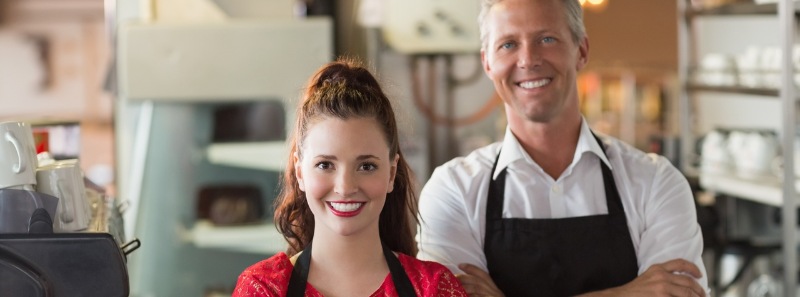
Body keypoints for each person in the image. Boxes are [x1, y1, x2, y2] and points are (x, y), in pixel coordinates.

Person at [415, 0, 709, 296]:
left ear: (581, 51)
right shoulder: (454, 190)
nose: (528, 59)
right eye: (508, 44)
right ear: (487, 62)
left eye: (547, 39)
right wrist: (626, 292)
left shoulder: (655, 182)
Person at [233, 58, 468, 297]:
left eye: (366, 166)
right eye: (325, 165)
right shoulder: (263, 289)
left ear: (391, 173)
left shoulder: (433, 288)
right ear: (300, 171)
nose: (345, 187)